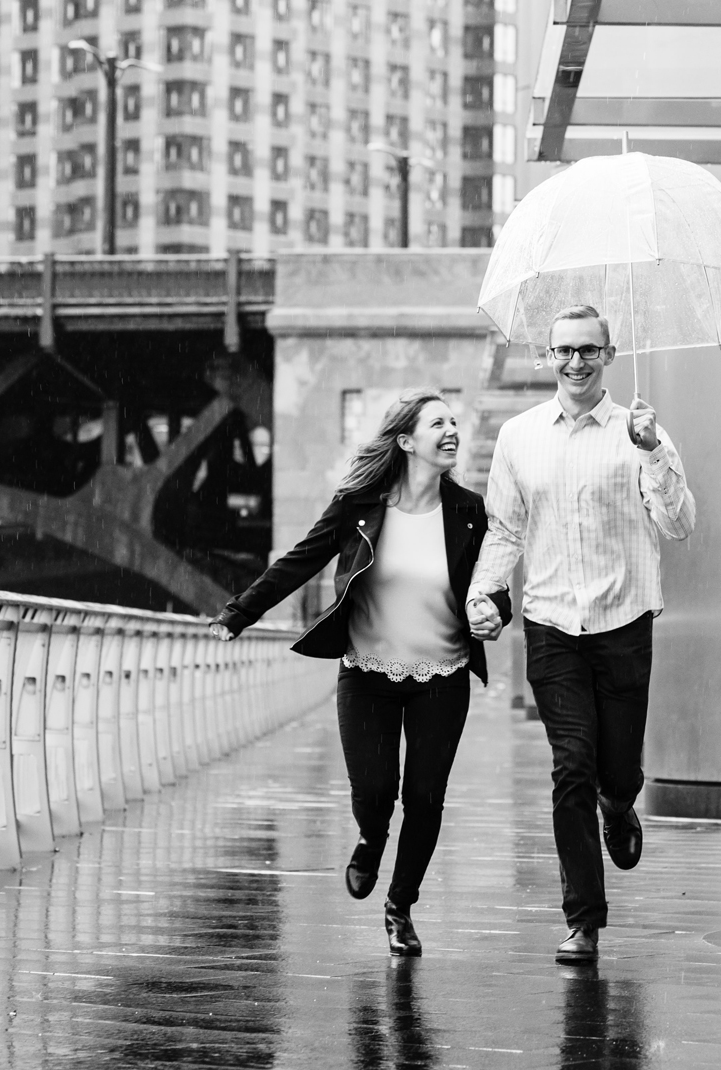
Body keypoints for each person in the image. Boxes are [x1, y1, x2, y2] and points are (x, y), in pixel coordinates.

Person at [209, 390, 509, 958]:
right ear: (405, 441)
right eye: (436, 424)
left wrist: (495, 613)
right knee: (375, 791)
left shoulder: (469, 510)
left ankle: (400, 906)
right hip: (366, 673)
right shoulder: (360, 504)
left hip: (442, 674)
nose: (451, 431)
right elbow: (301, 559)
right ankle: (372, 838)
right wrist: (239, 613)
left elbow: (492, 587)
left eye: (454, 422)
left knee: (425, 797)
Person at [466, 304, 695, 964]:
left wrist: (653, 453)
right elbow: (505, 531)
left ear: (609, 354)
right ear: (549, 354)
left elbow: (679, 523)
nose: (574, 361)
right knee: (571, 767)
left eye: (588, 350)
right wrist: (486, 593)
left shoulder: (642, 431)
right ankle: (583, 920)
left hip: (624, 620)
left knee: (614, 768)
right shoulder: (519, 437)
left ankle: (620, 806)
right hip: (552, 625)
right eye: (564, 350)